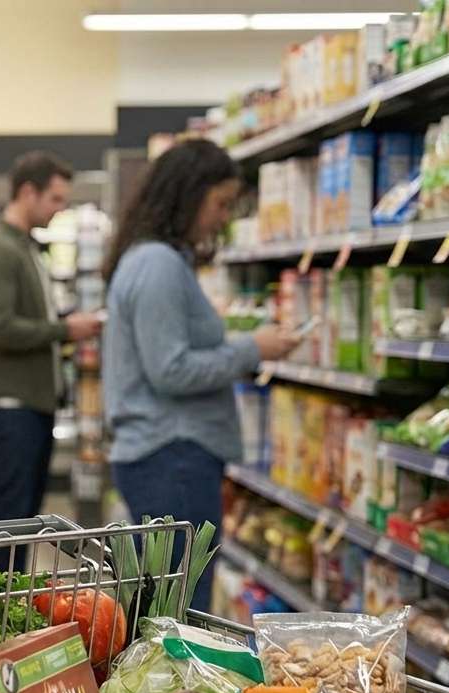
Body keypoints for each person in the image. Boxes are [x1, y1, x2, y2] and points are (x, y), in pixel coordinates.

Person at [103, 139, 298, 613]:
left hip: (166, 456)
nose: (223, 217)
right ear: (187, 194)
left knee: (160, 609)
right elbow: (170, 370)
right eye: (221, 203)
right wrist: (252, 348)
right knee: (178, 616)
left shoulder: (152, 259)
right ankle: (172, 691)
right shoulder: (158, 265)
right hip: (172, 458)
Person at [0, 151, 101, 568]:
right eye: (55, 200)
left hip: (34, 403)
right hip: (14, 404)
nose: (59, 210)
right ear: (28, 192)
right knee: (10, 517)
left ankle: (11, 604)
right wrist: (66, 330)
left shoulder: (27, 248)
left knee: (25, 515)